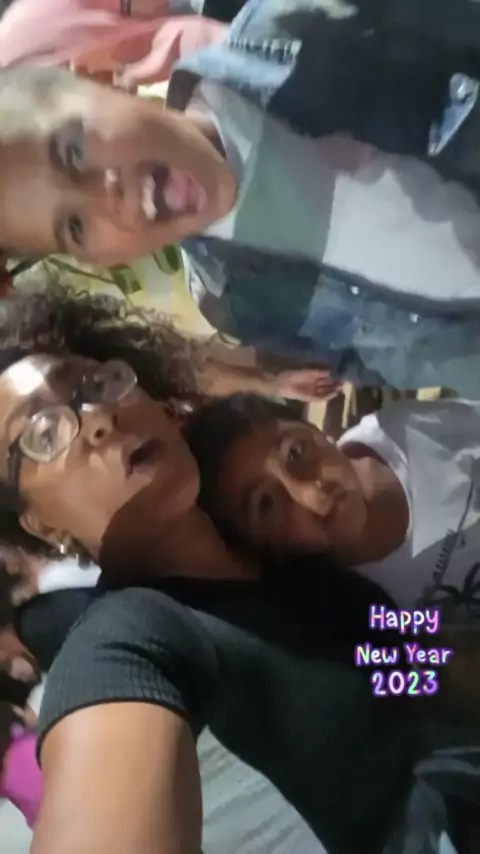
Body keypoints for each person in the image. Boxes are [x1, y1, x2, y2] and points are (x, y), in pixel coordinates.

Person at [0, 285, 427, 854]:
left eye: (94, 384)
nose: (98, 418)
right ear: (41, 526)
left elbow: (408, 663)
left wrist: (445, 661)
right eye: (43, 434)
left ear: (160, 407)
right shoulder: (125, 640)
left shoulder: (269, 538)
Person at [3, 3, 480, 392]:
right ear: (101, 260)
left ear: (99, 76)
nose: (104, 193)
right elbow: (371, 360)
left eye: (73, 151)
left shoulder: (294, 33)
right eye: (75, 226)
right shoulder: (233, 301)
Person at [186, 393, 480, 613]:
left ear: (318, 431)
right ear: (263, 547)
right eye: (267, 504)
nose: (311, 492)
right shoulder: (345, 612)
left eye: (296, 452)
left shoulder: (407, 432)